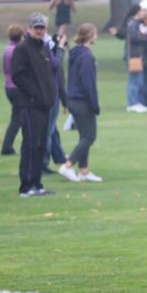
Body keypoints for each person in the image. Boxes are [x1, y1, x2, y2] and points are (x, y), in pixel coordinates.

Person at [11, 13, 56, 197]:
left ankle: (37, 184)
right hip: (30, 105)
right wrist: (35, 95)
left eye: (42, 27)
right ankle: (26, 186)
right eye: (36, 27)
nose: (39, 31)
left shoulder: (44, 48)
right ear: (29, 28)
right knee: (30, 144)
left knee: (41, 145)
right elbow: (17, 76)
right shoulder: (22, 49)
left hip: (45, 106)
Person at [58, 24, 102, 182]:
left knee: (84, 136)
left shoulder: (76, 53)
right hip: (82, 101)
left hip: (73, 100)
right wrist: (95, 105)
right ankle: (68, 165)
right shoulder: (86, 57)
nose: (96, 36)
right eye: (95, 33)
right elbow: (88, 84)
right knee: (90, 136)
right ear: (90, 36)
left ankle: (84, 171)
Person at [42, 32, 68, 173]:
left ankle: (58, 156)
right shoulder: (52, 59)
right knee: (48, 130)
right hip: (51, 97)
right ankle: (43, 163)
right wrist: (61, 48)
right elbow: (60, 81)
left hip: (52, 96)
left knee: (52, 130)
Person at [1, 24, 25, 155]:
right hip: (17, 88)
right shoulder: (18, 50)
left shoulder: (7, 49)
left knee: (17, 116)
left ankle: (8, 146)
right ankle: (7, 147)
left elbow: (6, 69)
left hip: (8, 86)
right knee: (18, 118)